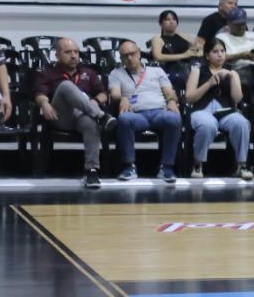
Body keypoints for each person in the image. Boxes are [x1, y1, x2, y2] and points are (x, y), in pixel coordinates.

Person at [31, 38, 115, 190]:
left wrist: (95, 102)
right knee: (66, 86)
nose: (74, 56)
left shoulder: (89, 73)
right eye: (68, 52)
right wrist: (44, 103)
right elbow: (39, 93)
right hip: (60, 116)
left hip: (83, 117)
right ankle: (102, 116)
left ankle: (92, 171)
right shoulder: (48, 72)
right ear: (57, 55)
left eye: (76, 52)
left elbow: (103, 93)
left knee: (90, 122)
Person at [107, 41, 183, 182]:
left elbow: (170, 93)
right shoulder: (116, 73)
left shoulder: (157, 71)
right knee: (124, 119)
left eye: (132, 54)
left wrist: (172, 101)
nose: (129, 58)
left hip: (159, 112)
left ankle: (166, 167)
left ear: (139, 53)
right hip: (136, 115)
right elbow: (115, 94)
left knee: (174, 119)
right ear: (121, 58)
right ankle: (129, 167)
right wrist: (123, 98)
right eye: (125, 56)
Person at [185, 40, 253, 181]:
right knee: (207, 125)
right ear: (207, 55)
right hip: (202, 109)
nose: (220, 55)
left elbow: (237, 98)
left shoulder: (232, 72)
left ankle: (242, 164)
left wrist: (234, 77)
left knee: (241, 123)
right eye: (215, 52)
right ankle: (198, 163)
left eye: (222, 51)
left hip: (226, 111)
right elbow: (190, 98)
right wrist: (209, 83)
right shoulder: (198, 71)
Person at [149, 10, 202, 91]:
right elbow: (158, 56)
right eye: (167, 19)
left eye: (174, 19)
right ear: (161, 23)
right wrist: (184, 55)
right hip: (169, 70)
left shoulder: (183, 36)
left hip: (187, 69)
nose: (171, 22)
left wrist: (197, 51)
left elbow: (199, 47)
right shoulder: (157, 39)